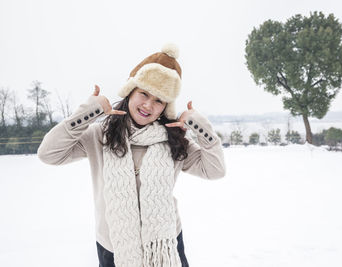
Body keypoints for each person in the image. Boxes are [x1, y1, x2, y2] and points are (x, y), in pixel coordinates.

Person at [37, 43, 226, 267]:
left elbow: (215, 170)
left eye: (159, 100)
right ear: (129, 92)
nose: (148, 105)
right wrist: (88, 112)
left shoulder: (174, 141)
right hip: (114, 248)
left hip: (165, 247)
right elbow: (48, 153)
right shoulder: (100, 136)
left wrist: (199, 126)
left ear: (166, 107)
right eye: (143, 93)